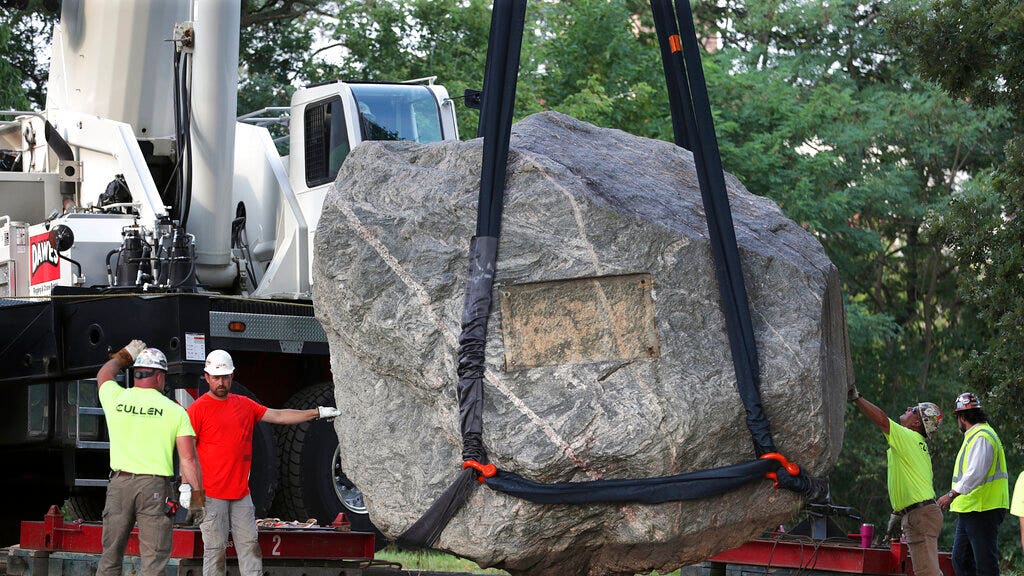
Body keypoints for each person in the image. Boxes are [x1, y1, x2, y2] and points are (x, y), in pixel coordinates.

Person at [188, 349, 341, 576]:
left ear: (232, 377)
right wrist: (192, 492)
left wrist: (316, 412)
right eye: (216, 377)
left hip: (241, 495)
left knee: (250, 548)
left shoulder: (245, 405)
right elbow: (187, 455)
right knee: (214, 551)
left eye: (225, 377)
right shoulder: (197, 410)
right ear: (207, 377)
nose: (221, 382)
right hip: (212, 497)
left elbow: (278, 416)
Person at [96, 340, 202, 576]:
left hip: (119, 485)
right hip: (154, 488)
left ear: (136, 374)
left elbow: (104, 374)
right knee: (153, 562)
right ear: (159, 377)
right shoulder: (175, 411)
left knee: (110, 557)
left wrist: (123, 356)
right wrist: (197, 499)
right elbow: (189, 460)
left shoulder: (116, 398)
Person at [850, 386, 943, 576]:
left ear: (917, 422)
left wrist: (857, 398)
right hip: (921, 513)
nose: (909, 408)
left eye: (913, 410)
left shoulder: (908, 436)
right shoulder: (915, 443)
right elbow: (915, 484)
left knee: (928, 573)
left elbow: (882, 420)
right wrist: (900, 513)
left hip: (920, 515)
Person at [937, 392, 1009, 576]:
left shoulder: (982, 437)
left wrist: (951, 495)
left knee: (985, 564)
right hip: (972, 508)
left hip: (983, 508)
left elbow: (975, 474)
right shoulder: (975, 435)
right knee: (960, 559)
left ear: (962, 417)